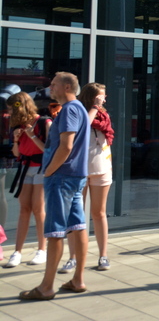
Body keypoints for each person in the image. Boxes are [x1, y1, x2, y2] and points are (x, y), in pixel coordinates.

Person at [19, 72, 91, 301]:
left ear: (67, 87)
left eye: (53, 84)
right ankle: (78, 280)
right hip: (74, 176)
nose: (50, 88)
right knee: (77, 226)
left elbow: (66, 146)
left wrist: (49, 171)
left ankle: (46, 287)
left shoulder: (69, 109)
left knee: (56, 231)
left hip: (61, 177)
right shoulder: (78, 108)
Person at [60, 83, 114, 273]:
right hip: (79, 170)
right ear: (91, 97)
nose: (104, 99)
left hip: (101, 168)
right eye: (101, 96)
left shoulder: (103, 115)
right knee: (76, 214)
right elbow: (82, 128)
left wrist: (97, 108)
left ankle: (103, 256)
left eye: (104, 96)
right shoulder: (79, 113)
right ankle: (72, 257)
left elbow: (107, 136)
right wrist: (94, 107)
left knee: (99, 213)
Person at [4, 92, 51, 268]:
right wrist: (16, 140)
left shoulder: (44, 122)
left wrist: (32, 135)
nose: (9, 113)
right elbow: (16, 153)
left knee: (38, 209)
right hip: (25, 168)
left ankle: (42, 249)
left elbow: (48, 149)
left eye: (11, 109)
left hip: (40, 168)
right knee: (24, 209)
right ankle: (17, 251)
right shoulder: (19, 126)